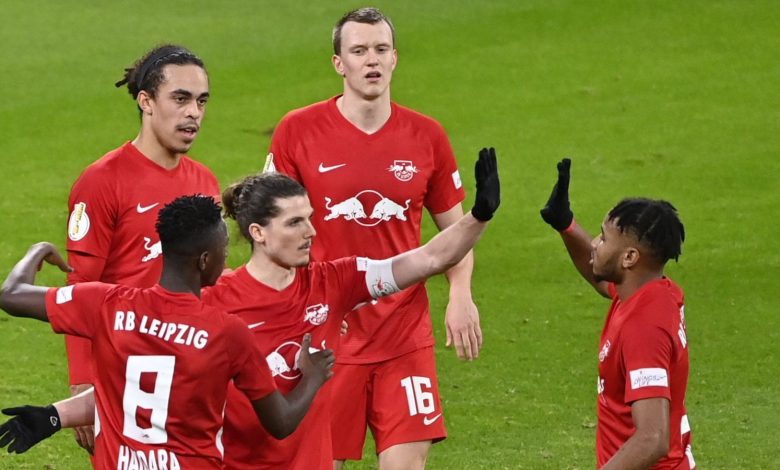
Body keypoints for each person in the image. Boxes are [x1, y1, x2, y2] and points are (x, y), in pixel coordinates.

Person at [1, 148, 500, 469]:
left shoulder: (336, 281)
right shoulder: (213, 304)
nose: (311, 232)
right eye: (294, 223)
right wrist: (58, 415)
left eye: (310, 218)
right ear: (258, 233)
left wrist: (478, 215)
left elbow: (428, 258)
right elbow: (144, 385)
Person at [266, 7, 479, 468]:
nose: (372, 60)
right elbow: (273, 233)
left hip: (404, 335)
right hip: (328, 337)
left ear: (395, 58)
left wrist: (461, 295)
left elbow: (457, 234)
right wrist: (297, 308)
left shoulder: (427, 136)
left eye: (381, 49)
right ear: (338, 63)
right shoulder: (297, 131)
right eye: (359, 50)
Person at [0, 195, 334, 467]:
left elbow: (11, 295)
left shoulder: (108, 305)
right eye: (223, 249)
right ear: (205, 260)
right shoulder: (227, 333)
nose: (227, 259)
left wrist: (39, 249)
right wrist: (314, 377)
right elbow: (281, 423)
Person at [63, 44, 221, 453]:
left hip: (189, 365)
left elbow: (208, 285)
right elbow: (80, 288)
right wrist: (83, 381)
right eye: (180, 99)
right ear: (146, 102)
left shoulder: (204, 182)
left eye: (201, 101)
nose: (194, 113)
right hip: (123, 371)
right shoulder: (102, 181)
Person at [540, 159, 695, 469]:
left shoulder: (644, 328)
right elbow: (601, 279)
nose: (594, 244)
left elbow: (653, 438)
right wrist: (566, 224)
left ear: (629, 257)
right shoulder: (649, 291)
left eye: (603, 238)